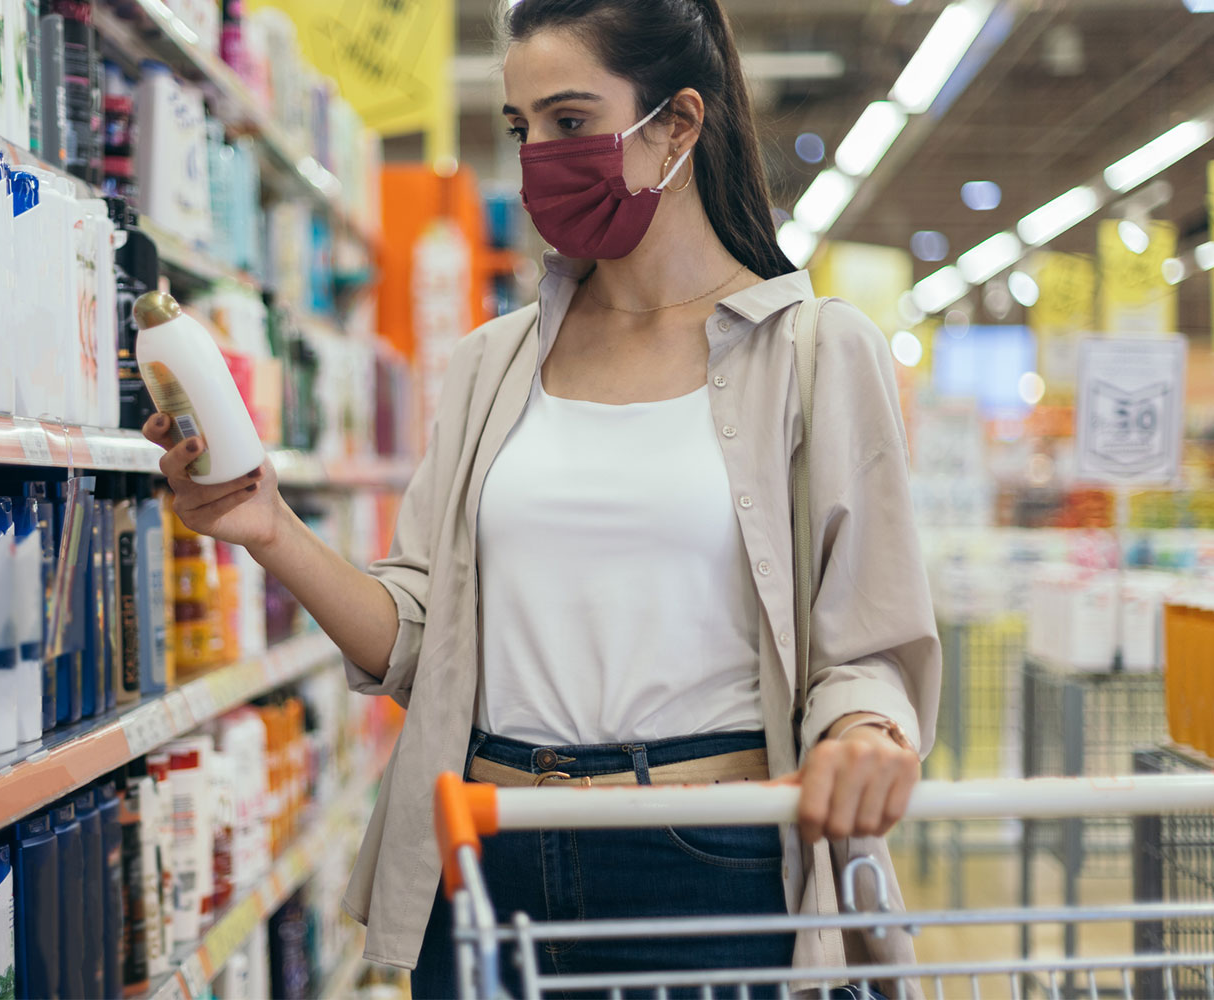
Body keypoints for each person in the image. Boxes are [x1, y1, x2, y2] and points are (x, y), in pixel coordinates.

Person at [143, 0, 940, 994]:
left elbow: (867, 644)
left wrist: (867, 733)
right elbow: (417, 644)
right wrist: (267, 527)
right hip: (488, 850)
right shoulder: (492, 364)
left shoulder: (814, 352)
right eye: (521, 129)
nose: (539, 159)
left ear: (679, 125)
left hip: (705, 863)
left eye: (570, 122)